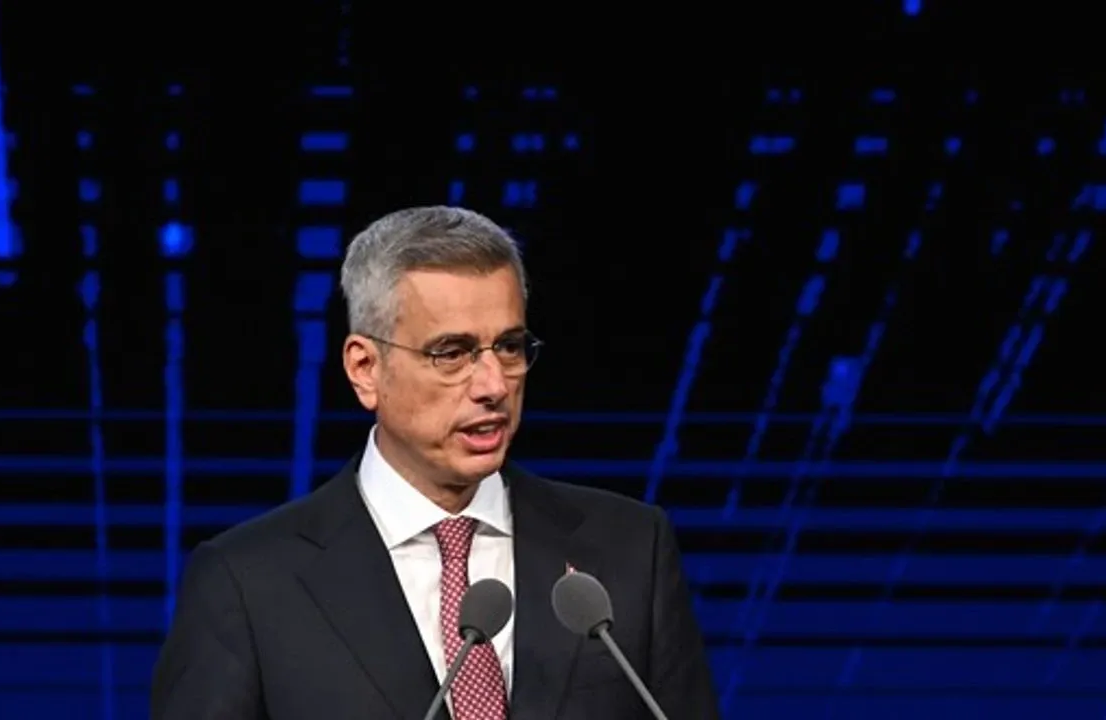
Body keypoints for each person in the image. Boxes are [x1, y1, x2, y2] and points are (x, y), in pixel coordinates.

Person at [150, 206, 719, 719]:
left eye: (510, 347)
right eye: (452, 353)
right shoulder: (247, 583)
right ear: (365, 369)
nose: (494, 385)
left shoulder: (629, 551)